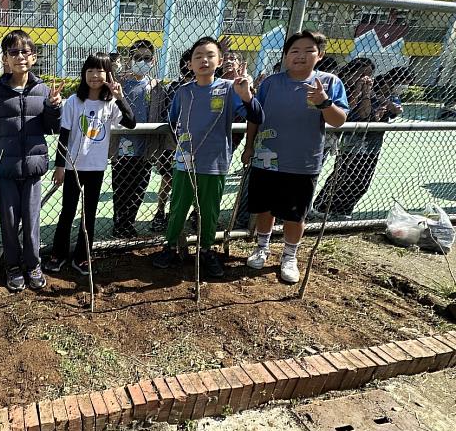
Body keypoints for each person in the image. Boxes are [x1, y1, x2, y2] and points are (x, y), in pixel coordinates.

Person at [243, 31, 349, 284]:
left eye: (308, 50)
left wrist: (324, 102)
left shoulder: (329, 83)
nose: (300, 56)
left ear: (320, 55)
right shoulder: (271, 83)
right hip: (266, 158)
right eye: (294, 51)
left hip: (303, 162)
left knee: (294, 214)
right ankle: (261, 247)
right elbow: (255, 117)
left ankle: (289, 256)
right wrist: (248, 146)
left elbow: (338, 121)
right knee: (265, 208)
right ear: (286, 55)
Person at [152, 37, 264, 276]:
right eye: (198, 56)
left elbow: (256, 116)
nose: (204, 60)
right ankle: (170, 247)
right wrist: (183, 145)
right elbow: (172, 121)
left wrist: (246, 95)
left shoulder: (229, 89)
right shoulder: (184, 92)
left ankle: (205, 250)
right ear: (190, 64)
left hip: (215, 163)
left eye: (210, 55)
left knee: (208, 209)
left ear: (220, 61)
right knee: (178, 206)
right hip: (185, 162)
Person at [43, 52, 135, 276]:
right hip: (74, 168)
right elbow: (64, 135)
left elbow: (131, 123)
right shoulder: (74, 102)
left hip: (96, 168)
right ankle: (58, 254)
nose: (95, 75)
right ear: (84, 73)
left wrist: (120, 97)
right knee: (67, 211)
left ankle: (83, 256)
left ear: (108, 74)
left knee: (89, 214)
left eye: (100, 70)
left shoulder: (110, 103)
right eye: (90, 70)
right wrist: (60, 166)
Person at [0, 29, 62, 292]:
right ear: (5, 58)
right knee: (8, 222)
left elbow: (52, 128)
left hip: (32, 168)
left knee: (31, 221)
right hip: (5, 169)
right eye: (13, 52)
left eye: (25, 51)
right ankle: (13, 267)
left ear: (34, 57)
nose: (19, 56)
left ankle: (33, 265)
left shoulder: (43, 89)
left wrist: (54, 108)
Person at [311, 66, 413, 219]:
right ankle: (322, 207)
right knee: (344, 176)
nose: (405, 86)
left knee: (362, 182)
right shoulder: (364, 92)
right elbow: (366, 116)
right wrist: (367, 95)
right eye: (404, 82)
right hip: (354, 143)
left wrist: (392, 108)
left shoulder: (391, 96)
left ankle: (343, 211)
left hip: (373, 144)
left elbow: (391, 114)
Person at [111, 39, 164, 238]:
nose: (142, 61)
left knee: (139, 188)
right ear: (130, 59)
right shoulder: (120, 84)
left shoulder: (156, 86)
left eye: (147, 58)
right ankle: (119, 223)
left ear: (153, 61)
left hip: (145, 148)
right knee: (121, 187)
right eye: (137, 57)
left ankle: (129, 222)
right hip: (122, 147)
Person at [151, 48, 193, 232]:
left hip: (193, 143)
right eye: (187, 62)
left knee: (190, 181)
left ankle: (181, 214)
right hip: (172, 142)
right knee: (168, 178)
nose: (189, 66)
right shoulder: (175, 87)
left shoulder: (205, 87)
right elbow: (168, 114)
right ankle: (160, 212)